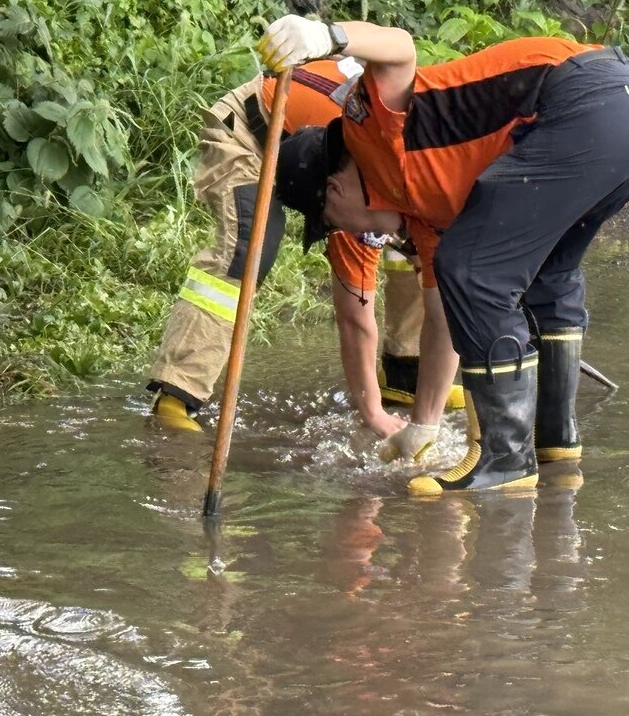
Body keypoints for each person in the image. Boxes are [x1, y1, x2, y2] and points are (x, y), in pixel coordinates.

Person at [268, 18, 629, 495]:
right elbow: (445, 316)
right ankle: (554, 443)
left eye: (333, 221)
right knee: (546, 275)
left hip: (590, 101)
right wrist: (424, 426)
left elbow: (398, 48)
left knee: (473, 268)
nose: (350, 233)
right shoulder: (423, 214)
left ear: (333, 188)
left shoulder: (368, 127)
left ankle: (506, 459)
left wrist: (327, 37)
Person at [146, 58, 462, 452]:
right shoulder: (354, 196)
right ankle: (178, 390)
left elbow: (442, 283)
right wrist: (372, 414)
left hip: (317, 143)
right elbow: (354, 320)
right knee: (247, 248)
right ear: (331, 192)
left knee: (417, 248)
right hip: (252, 130)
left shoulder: (413, 164)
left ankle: (404, 376)